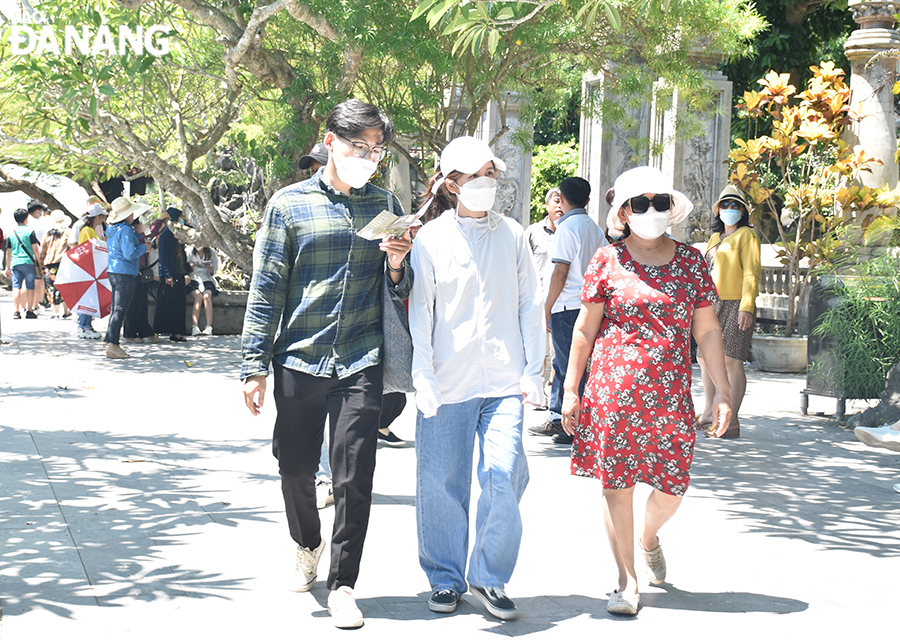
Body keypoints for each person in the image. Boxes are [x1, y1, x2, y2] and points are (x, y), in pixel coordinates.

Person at [240, 99, 412, 629]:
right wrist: (253, 364)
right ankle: (306, 542)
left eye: (377, 150)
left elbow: (399, 289)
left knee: (354, 473)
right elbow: (267, 286)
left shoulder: (384, 204)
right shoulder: (288, 206)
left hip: (361, 357)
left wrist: (398, 263)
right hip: (299, 356)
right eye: (359, 146)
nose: (368, 157)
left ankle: (344, 584)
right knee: (293, 464)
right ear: (331, 141)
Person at [560, 166, 732, 616]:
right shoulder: (606, 260)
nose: (651, 210)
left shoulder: (692, 262)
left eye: (660, 202)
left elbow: (709, 332)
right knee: (616, 487)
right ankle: (627, 580)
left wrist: (723, 393)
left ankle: (648, 537)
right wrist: (570, 389)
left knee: (672, 487)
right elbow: (584, 329)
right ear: (624, 211)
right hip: (612, 394)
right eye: (641, 203)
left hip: (670, 397)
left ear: (671, 209)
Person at [408, 136, 544, 621]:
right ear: (452, 184)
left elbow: (530, 303)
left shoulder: (512, 233)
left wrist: (535, 369)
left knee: (504, 473)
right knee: (441, 480)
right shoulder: (430, 239)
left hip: (504, 381)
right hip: (448, 381)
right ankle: (445, 578)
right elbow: (421, 312)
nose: (488, 182)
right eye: (477, 175)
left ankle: (490, 577)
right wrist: (422, 375)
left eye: (492, 172)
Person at [530, 177, 607, 444]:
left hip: (566, 305)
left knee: (567, 366)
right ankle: (566, 419)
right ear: (587, 200)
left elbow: (561, 271)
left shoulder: (566, 228)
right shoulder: (596, 230)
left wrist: (547, 306)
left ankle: (573, 426)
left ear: (560, 198)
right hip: (591, 305)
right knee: (576, 365)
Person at [697, 185, 761, 439]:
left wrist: (747, 306)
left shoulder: (747, 236)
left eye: (735, 205)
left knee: (732, 361)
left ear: (743, 210)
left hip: (736, 303)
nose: (730, 210)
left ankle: (730, 420)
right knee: (705, 359)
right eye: (725, 205)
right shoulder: (714, 239)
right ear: (718, 210)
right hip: (712, 304)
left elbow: (751, 273)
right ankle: (709, 413)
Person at [104, 197, 151, 359]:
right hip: (125, 272)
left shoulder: (114, 229)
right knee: (120, 309)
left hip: (114, 271)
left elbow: (124, 246)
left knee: (116, 308)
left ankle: (111, 340)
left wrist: (137, 236)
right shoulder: (125, 230)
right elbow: (130, 253)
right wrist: (145, 247)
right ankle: (113, 344)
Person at [154, 207, 190, 342]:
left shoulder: (179, 235)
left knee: (179, 305)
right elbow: (163, 257)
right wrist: (167, 274)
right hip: (169, 274)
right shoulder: (165, 235)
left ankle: (177, 333)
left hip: (179, 273)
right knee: (164, 303)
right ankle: (157, 331)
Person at [123, 218, 160, 344]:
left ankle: (145, 331)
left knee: (142, 303)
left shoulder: (136, 234)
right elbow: (152, 232)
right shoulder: (130, 232)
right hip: (133, 271)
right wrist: (159, 220)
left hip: (141, 271)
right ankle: (130, 332)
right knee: (133, 304)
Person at [74, 203, 107, 339]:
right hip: (89, 269)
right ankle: (84, 326)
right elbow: (89, 249)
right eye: (101, 216)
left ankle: (86, 325)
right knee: (88, 299)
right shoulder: (87, 231)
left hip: (92, 269)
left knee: (90, 298)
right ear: (97, 217)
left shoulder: (91, 230)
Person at [4, 208, 42, 319]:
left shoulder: (12, 233)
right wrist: (39, 264)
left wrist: (7, 267)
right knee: (30, 287)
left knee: (16, 287)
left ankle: (16, 311)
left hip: (15, 263)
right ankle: (29, 311)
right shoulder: (30, 231)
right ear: (27, 218)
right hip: (28, 262)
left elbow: (8, 252)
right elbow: (35, 249)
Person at [39, 210, 72, 319]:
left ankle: (55, 313)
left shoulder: (47, 233)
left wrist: (41, 264)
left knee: (51, 288)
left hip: (49, 264)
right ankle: (66, 311)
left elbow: (43, 250)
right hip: (64, 263)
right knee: (65, 287)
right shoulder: (67, 232)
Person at [187, 245, 218, 336]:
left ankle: (209, 326)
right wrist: (190, 267)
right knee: (198, 296)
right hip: (193, 278)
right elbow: (185, 268)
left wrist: (211, 269)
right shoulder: (189, 251)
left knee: (207, 296)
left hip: (206, 279)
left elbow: (214, 271)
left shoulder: (211, 252)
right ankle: (195, 326)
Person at [26, 199, 49, 312]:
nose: (41, 213)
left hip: (25, 256)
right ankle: (36, 305)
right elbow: (45, 240)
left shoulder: (25, 222)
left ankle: (26, 305)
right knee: (38, 281)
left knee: (25, 282)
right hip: (37, 254)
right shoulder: (41, 223)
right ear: (36, 211)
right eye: (40, 210)